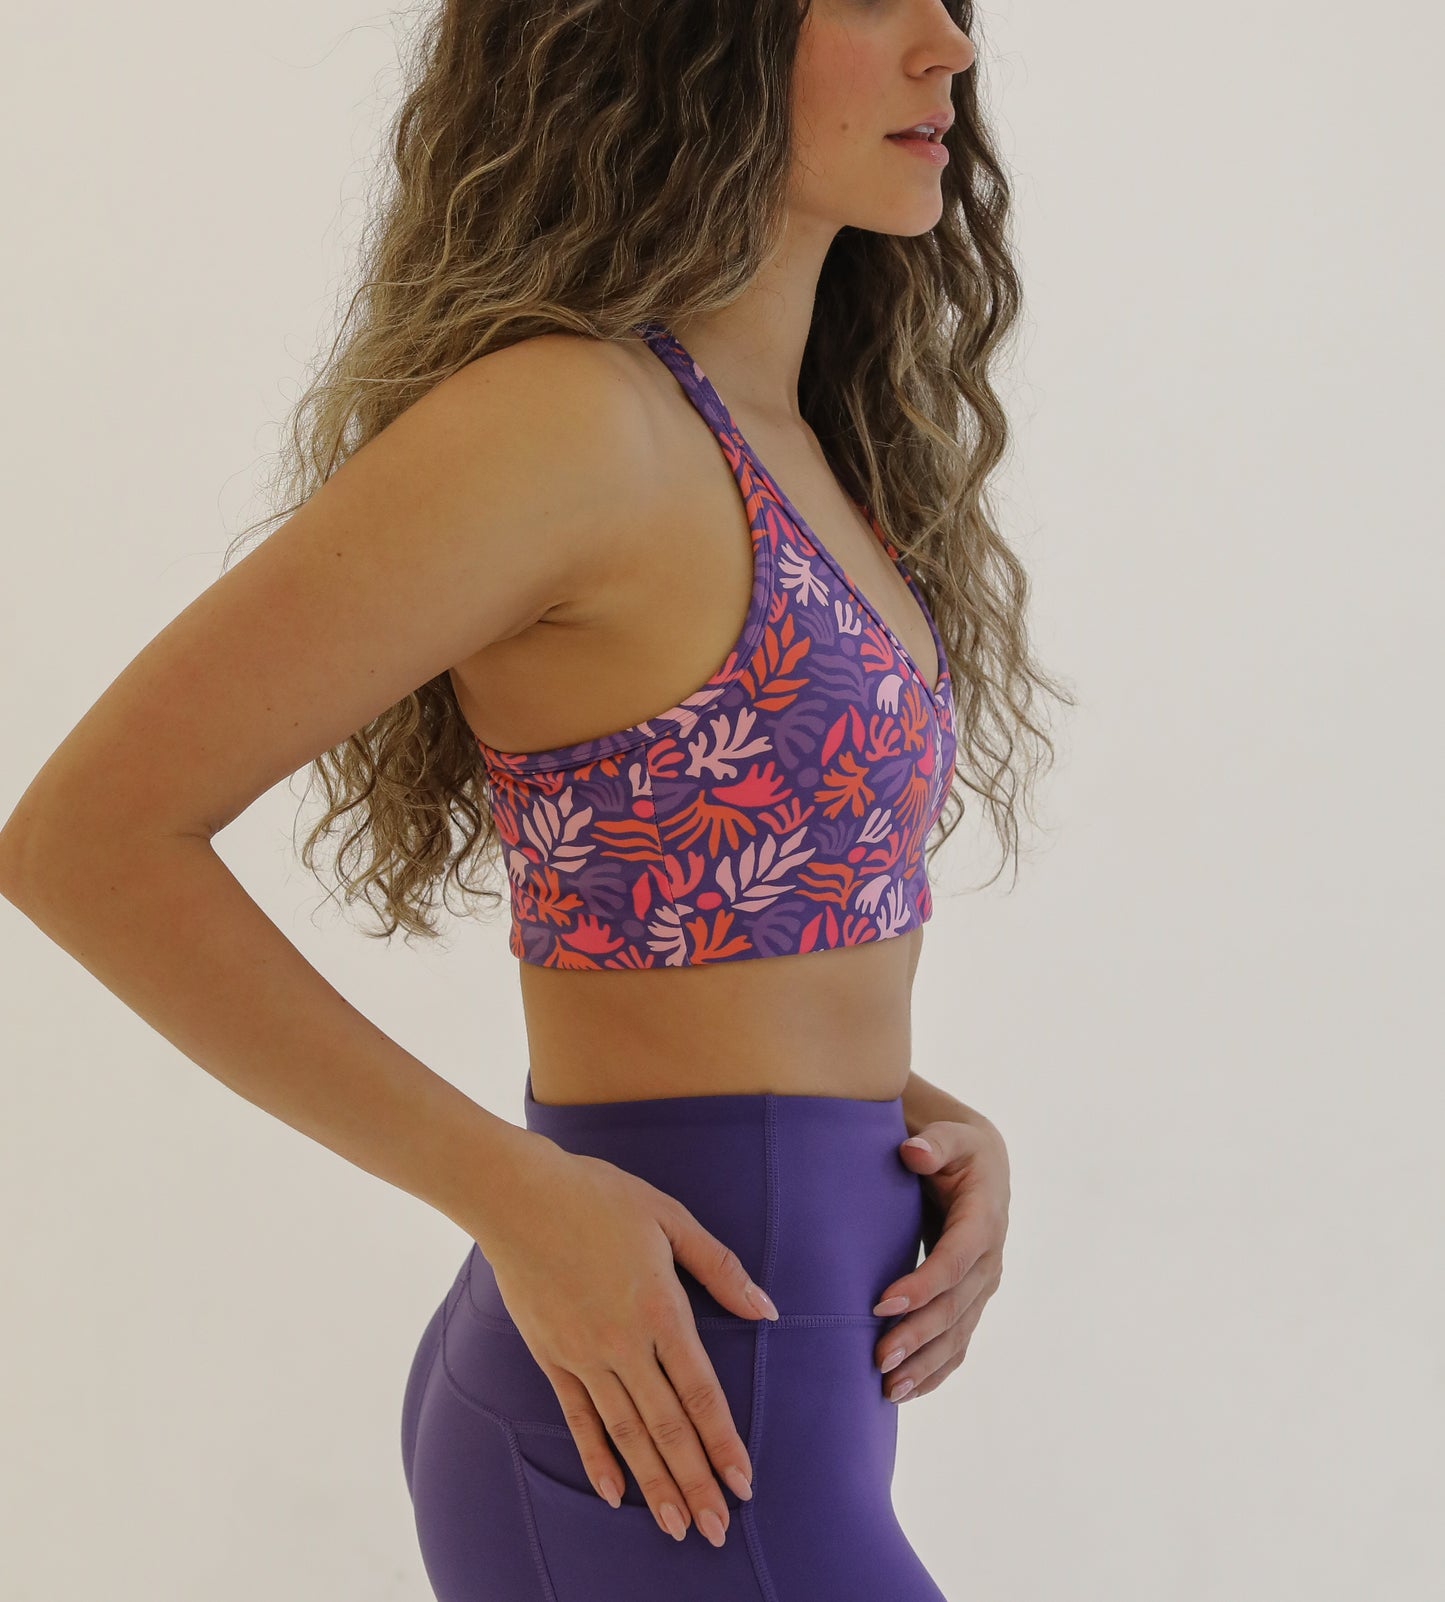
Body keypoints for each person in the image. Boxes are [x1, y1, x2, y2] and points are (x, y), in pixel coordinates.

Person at [0, 1, 1073, 1597]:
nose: (947, 45)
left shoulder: (795, 442)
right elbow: (82, 842)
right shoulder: (571, 424)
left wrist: (905, 1125)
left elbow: (722, 920)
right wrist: (507, 1190)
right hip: (657, 1438)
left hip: (749, 1402)